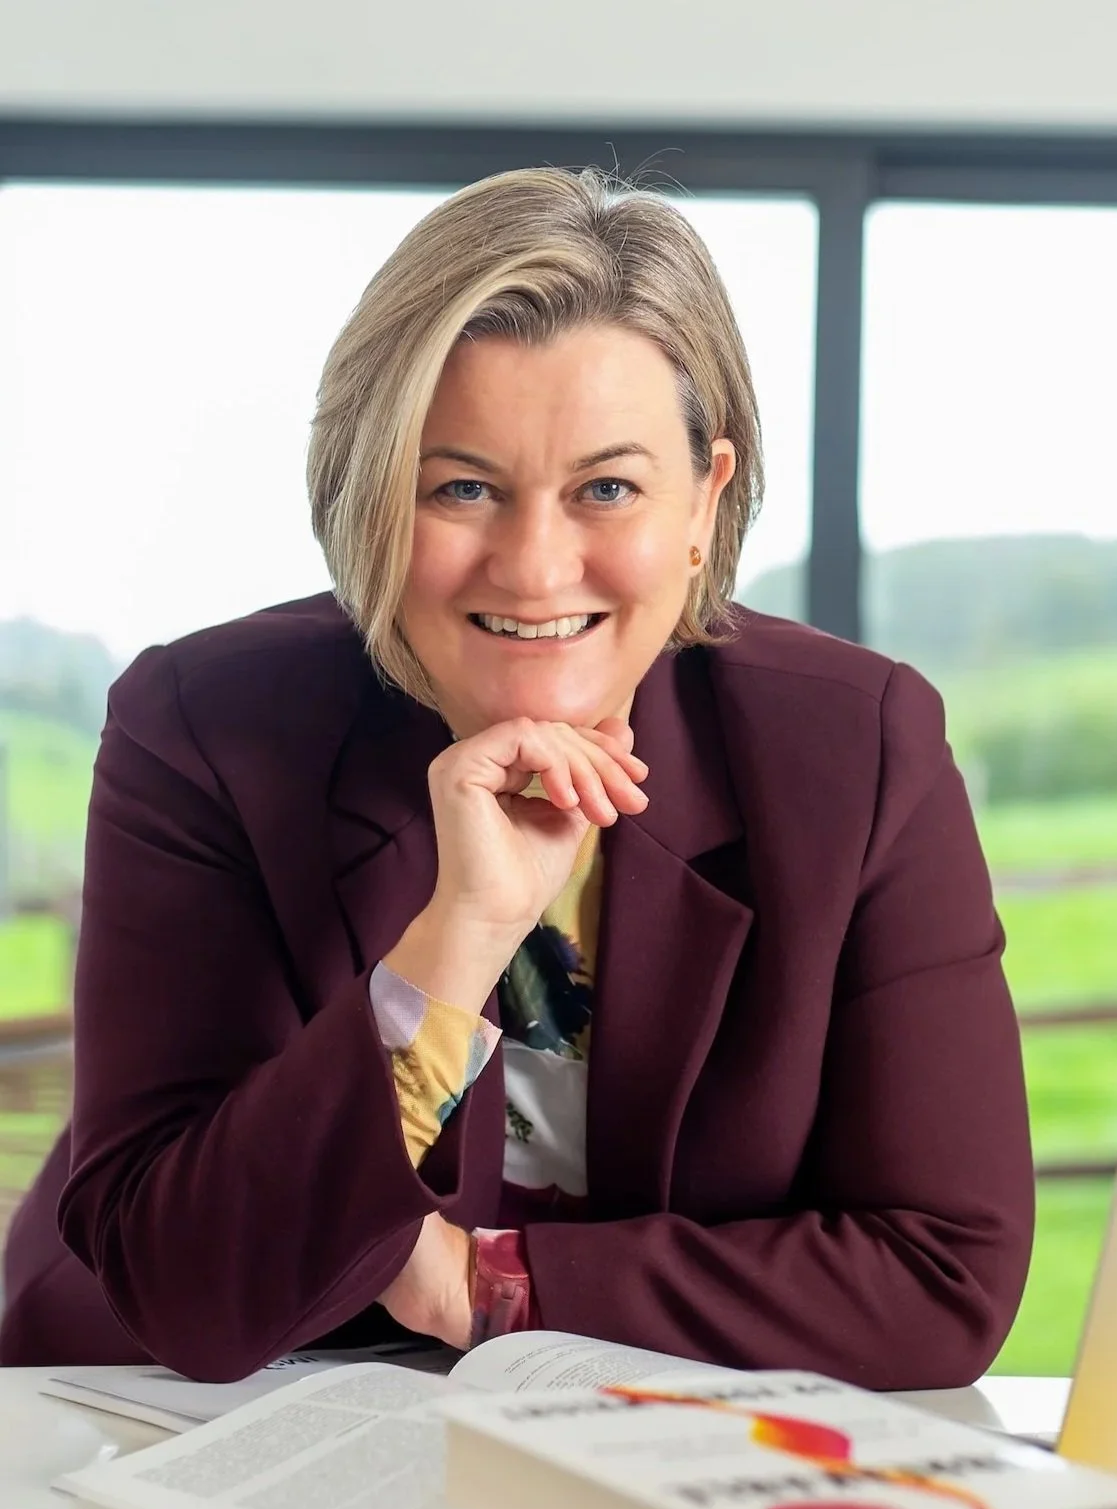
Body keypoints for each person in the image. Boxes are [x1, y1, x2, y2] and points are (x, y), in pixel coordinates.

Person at [0, 168, 1034, 1387]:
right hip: (166, 1428)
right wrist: (463, 932)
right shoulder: (205, 730)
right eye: (463, 487)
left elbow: (940, 1274)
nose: (537, 569)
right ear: (371, 501)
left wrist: (486, 1287)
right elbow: (188, 1280)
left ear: (705, 501)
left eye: (607, 487)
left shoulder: (858, 745)